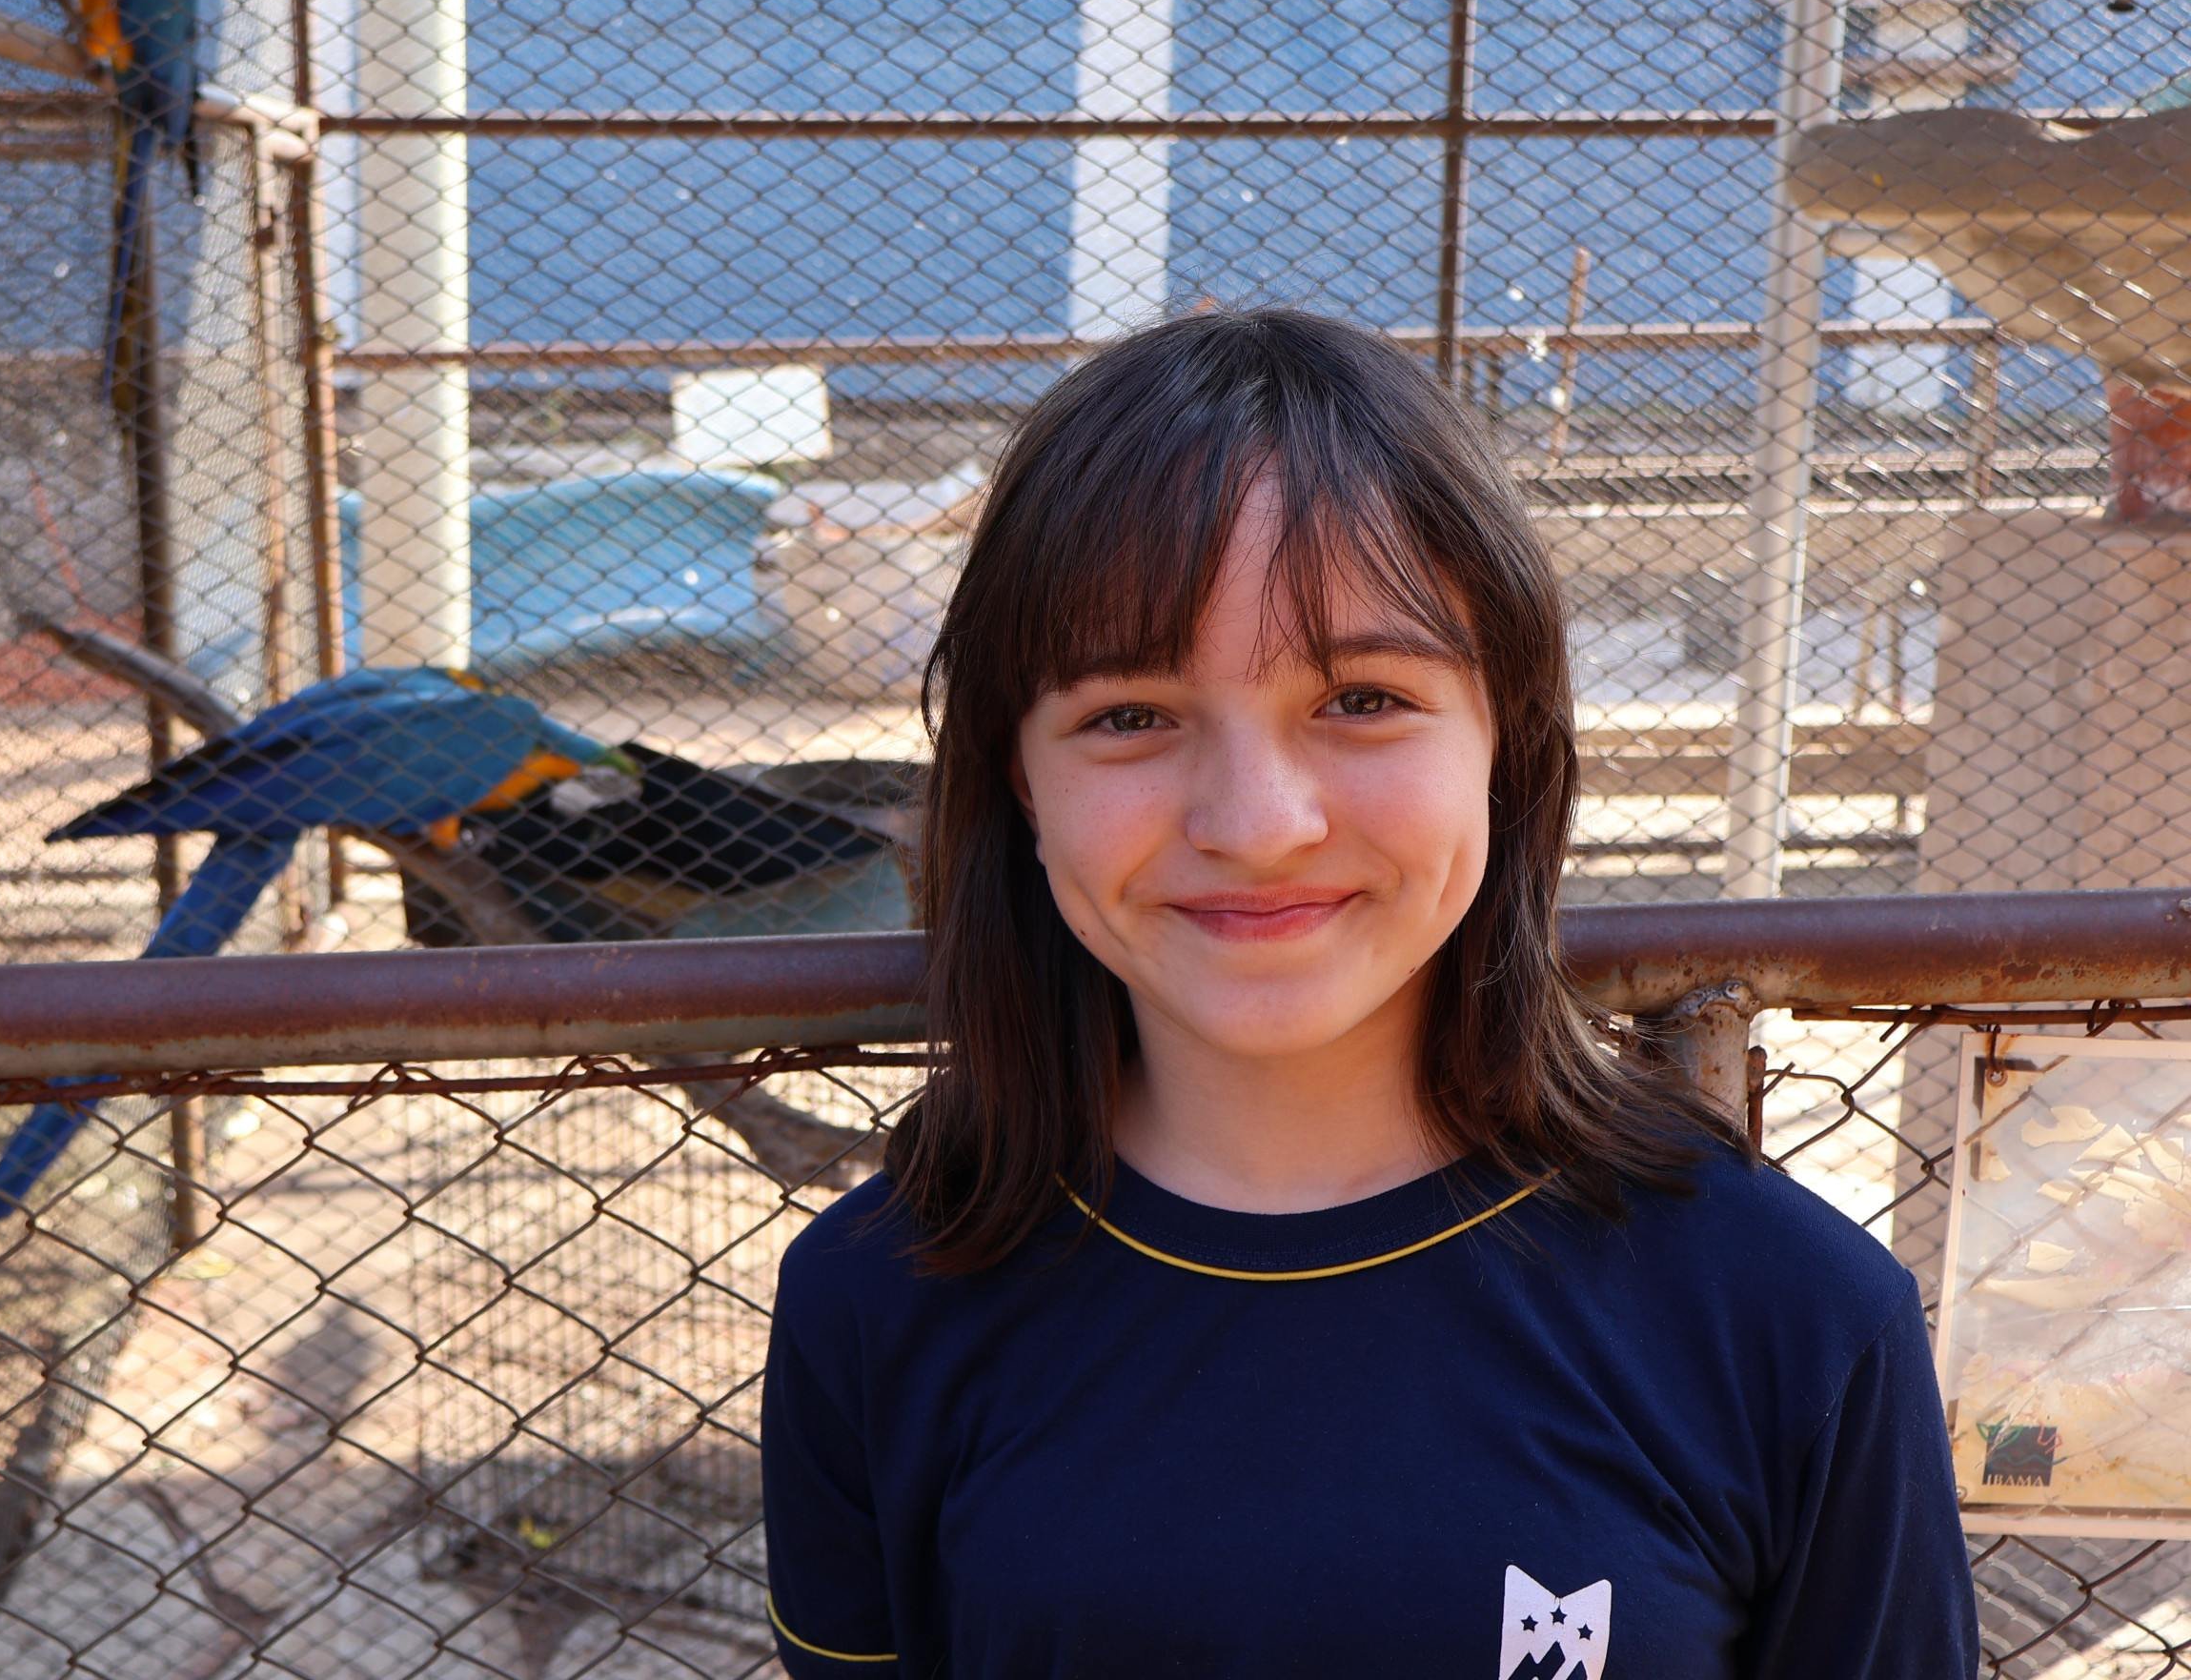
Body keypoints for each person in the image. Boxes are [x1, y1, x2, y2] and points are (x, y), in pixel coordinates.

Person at [757, 308, 1976, 1676]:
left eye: (1362, 700)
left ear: (1506, 744)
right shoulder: (876, 1303)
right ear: (1017, 783)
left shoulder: (1789, 1319)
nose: (1258, 820)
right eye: (1130, 716)